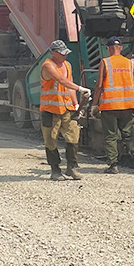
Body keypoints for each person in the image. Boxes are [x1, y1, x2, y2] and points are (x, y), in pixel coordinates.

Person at [40, 40, 91, 180]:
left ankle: (72, 167)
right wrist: (80, 88)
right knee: (50, 140)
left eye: (65, 53)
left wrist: (75, 104)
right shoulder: (47, 66)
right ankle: (55, 170)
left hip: (67, 108)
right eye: (62, 54)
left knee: (73, 137)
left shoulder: (67, 65)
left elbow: (69, 86)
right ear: (53, 53)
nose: (65, 56)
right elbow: (61, 80)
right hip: (51, 110)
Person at [95, 37, 134, 174]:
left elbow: (99, 85)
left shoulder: (105, 62)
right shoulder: (130, 63)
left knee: (111, 136)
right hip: (128, 104)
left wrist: (94, 105)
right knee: (128, 134)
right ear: (121, 48)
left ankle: (113, 165)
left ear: (109, 49)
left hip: (110, 106)